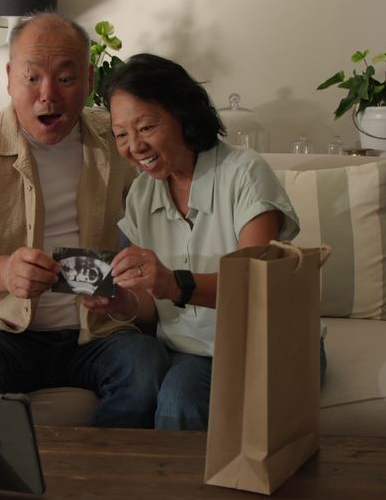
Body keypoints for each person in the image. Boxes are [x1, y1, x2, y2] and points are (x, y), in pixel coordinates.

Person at [0, 14, 169, 429]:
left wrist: (126, 293)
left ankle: (103, 478)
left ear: (90, 79)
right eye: (32, 78)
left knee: (146, 365)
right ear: (9, 78)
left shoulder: (118, 142)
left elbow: (162, 222)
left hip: (98, 332)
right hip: (0, 331)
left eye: (66, 79)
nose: (47, 96)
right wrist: (3, 270)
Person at [84, 53, 326, 431]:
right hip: (192, 353)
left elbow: (256, 285)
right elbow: (151, 304)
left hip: (265, 347)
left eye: (146, 127)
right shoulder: (141, 196)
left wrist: (173, 282)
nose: (135, 146)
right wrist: (121, 300)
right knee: (166, 387)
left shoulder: (245, 172)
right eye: (121, 135)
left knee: (180, 396)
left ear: (182, 114)